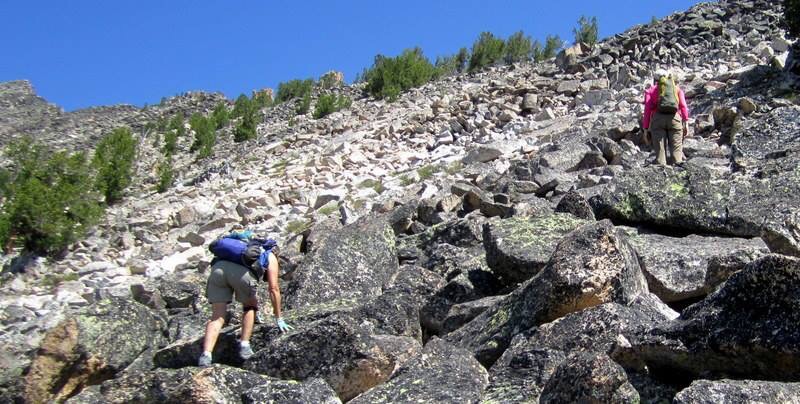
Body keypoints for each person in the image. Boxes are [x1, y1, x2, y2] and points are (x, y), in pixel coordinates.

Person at [198, 234, 293, 367]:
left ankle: (206, 355)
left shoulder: (243, 245)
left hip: (217, 270)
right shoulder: (269, 255)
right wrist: (279, 317)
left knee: (217, 317)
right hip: (241, 275)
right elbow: (274, 288)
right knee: (250, 307)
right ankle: (244, 346)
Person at [642, 68, 690, 166]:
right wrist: (686, 122)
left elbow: (647, 110)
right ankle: (679, 172)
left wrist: (646, 129)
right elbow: (683, 106)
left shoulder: (650, 91)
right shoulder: (676, 89)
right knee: (677, 150)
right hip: (675, 119)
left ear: (655, 80)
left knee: (660, 152)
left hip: (658, 120)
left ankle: (662, 172)